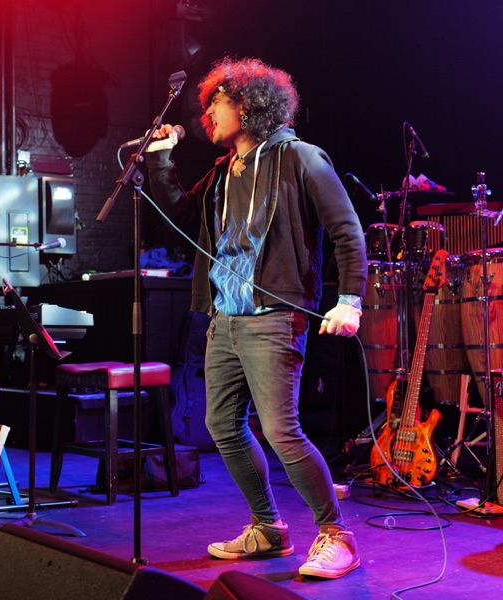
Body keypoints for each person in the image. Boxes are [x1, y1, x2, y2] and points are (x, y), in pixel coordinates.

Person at [145, 56, 367, 579]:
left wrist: (350, 299)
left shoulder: (301, 158)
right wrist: (158, 161)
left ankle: (337, 535)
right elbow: (183, 218)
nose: (207, 116)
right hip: (224, 317)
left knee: (281, 430)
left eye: (217, 105)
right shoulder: (223, 173)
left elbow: (347, 230)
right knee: (222, 424)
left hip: (274, 316)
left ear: (248, 106)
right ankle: (268, 528)